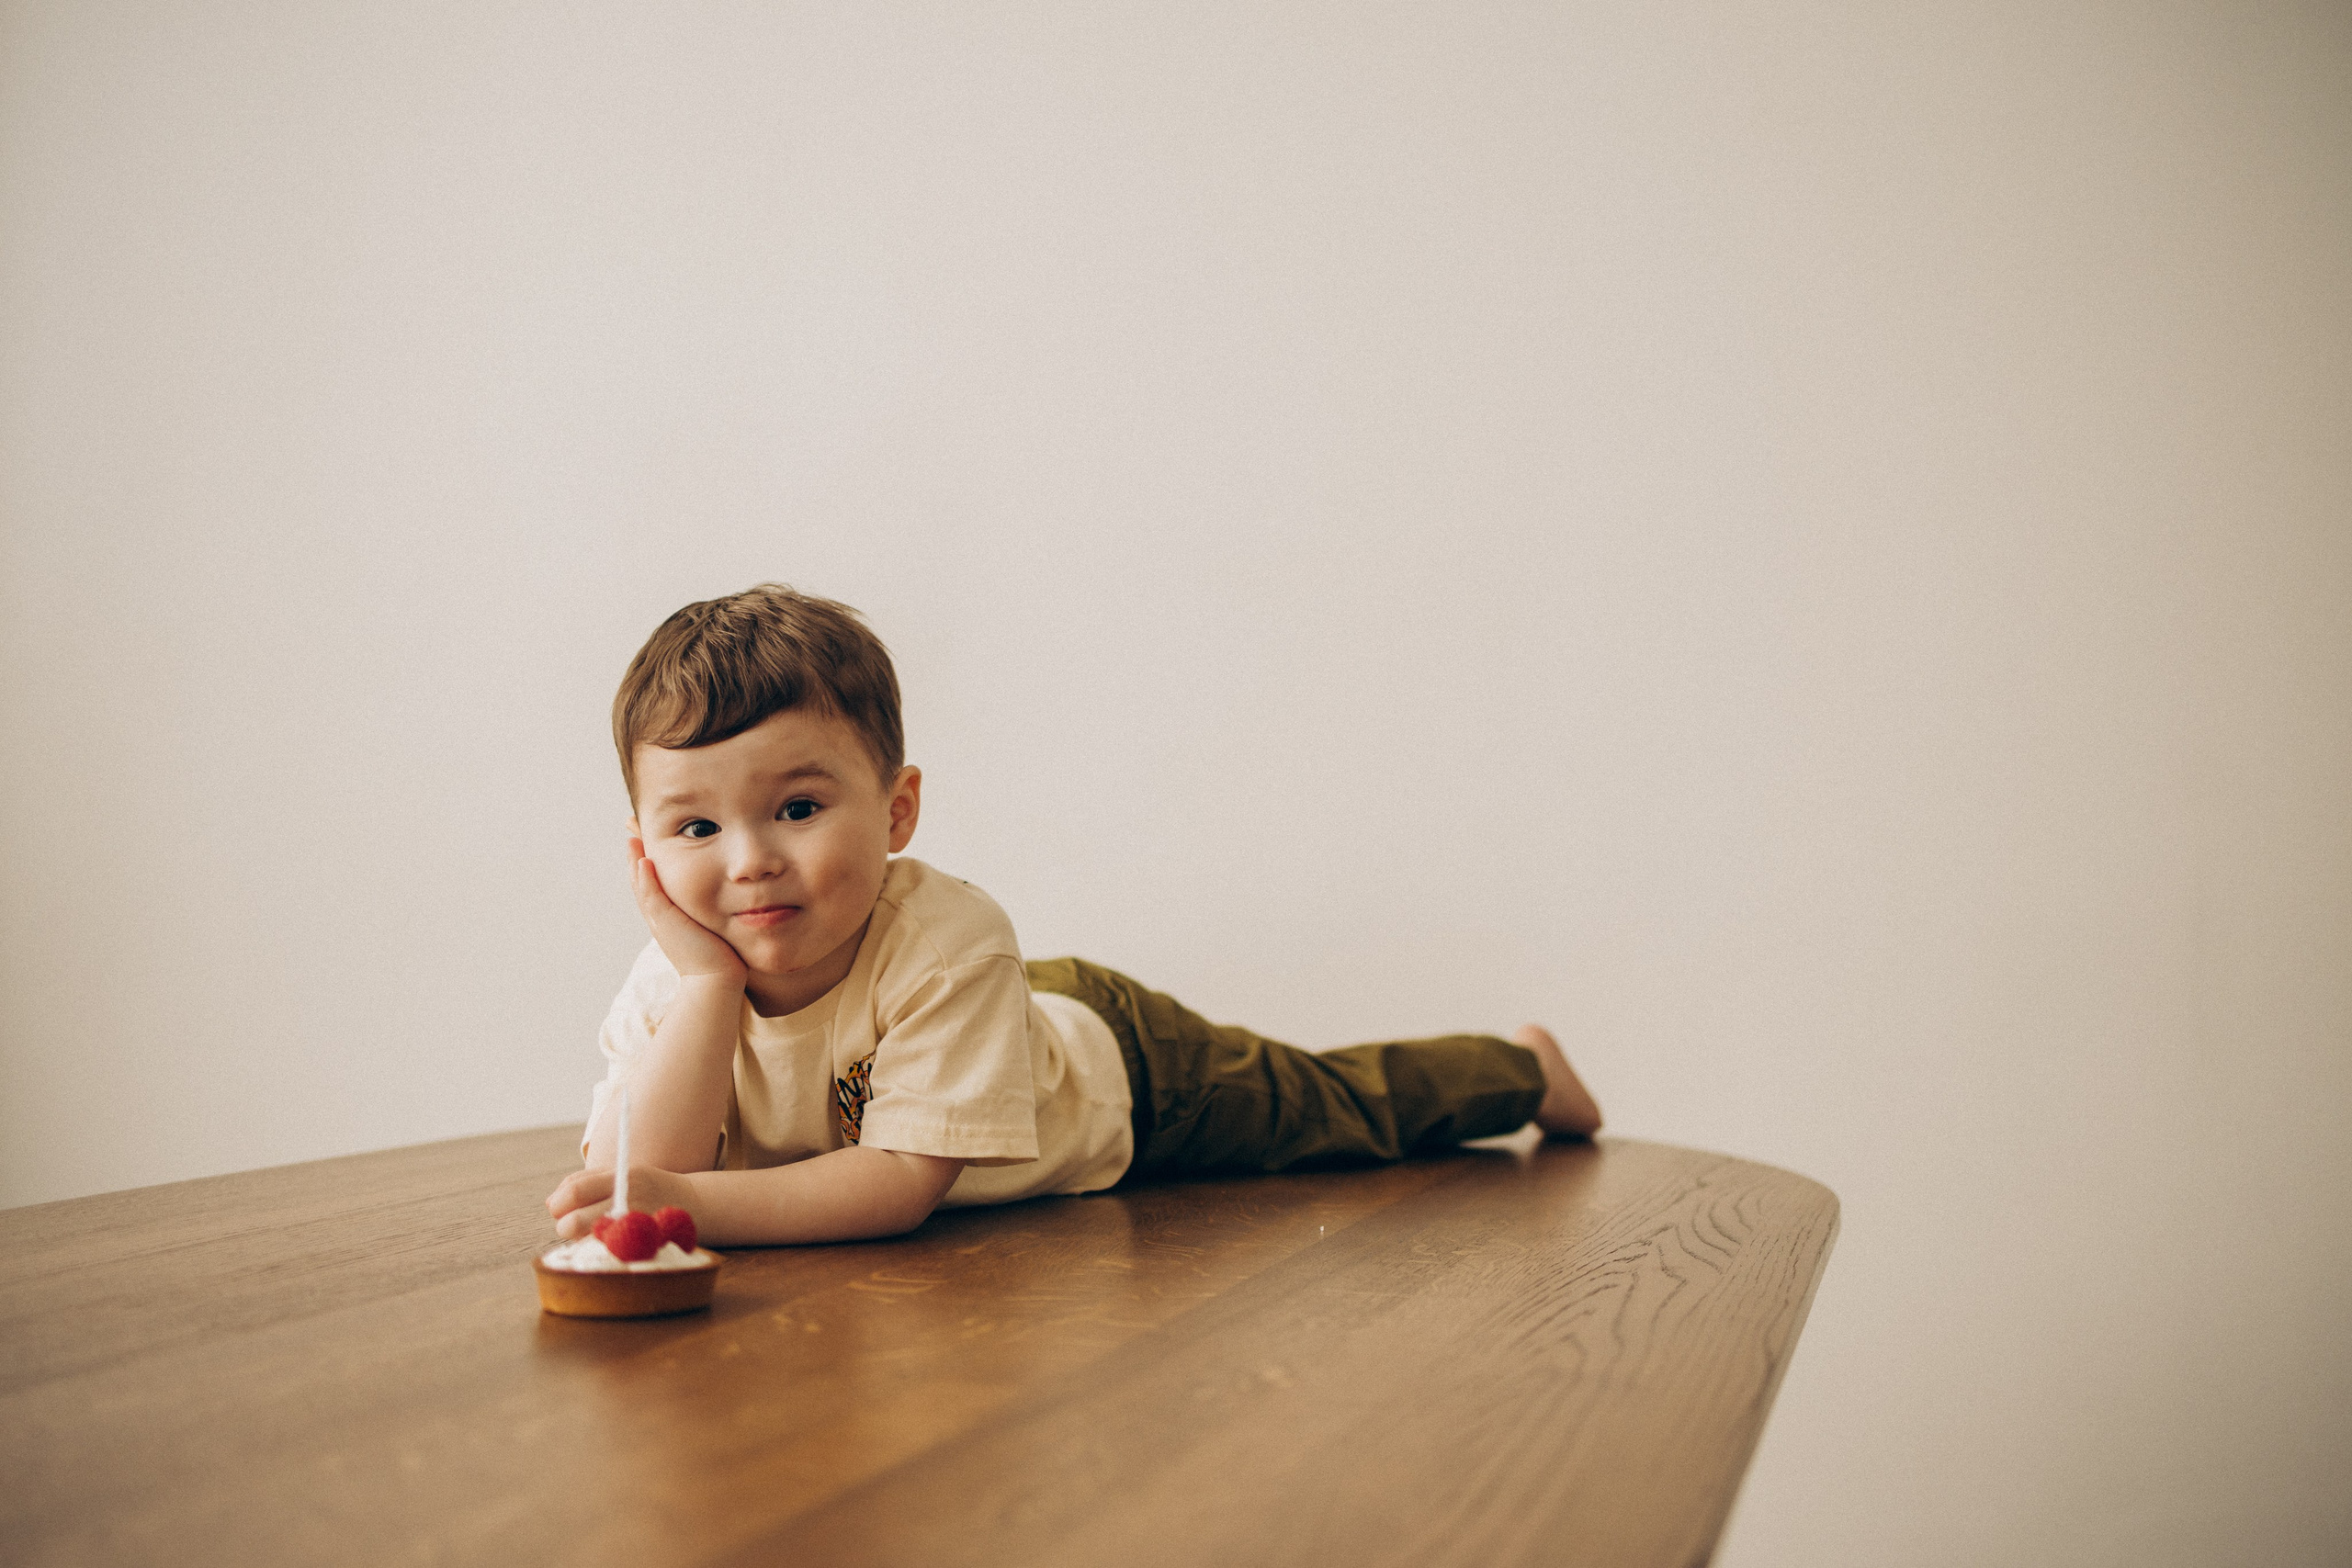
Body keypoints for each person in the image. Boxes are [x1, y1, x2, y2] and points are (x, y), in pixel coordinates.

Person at [546, 584, 1602, 1246]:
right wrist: (710, 988)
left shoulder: (951, 937)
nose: (750, 862)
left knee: (1325, 1110)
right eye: (695, 830)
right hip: (986, 1021)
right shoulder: (676, 983)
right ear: (642, 848)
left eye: (799, 808)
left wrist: (686, 1211)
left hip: (1125, 1074)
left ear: (897, 809)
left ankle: (1518, 1069)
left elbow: (896, 1186)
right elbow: (636, 1164)